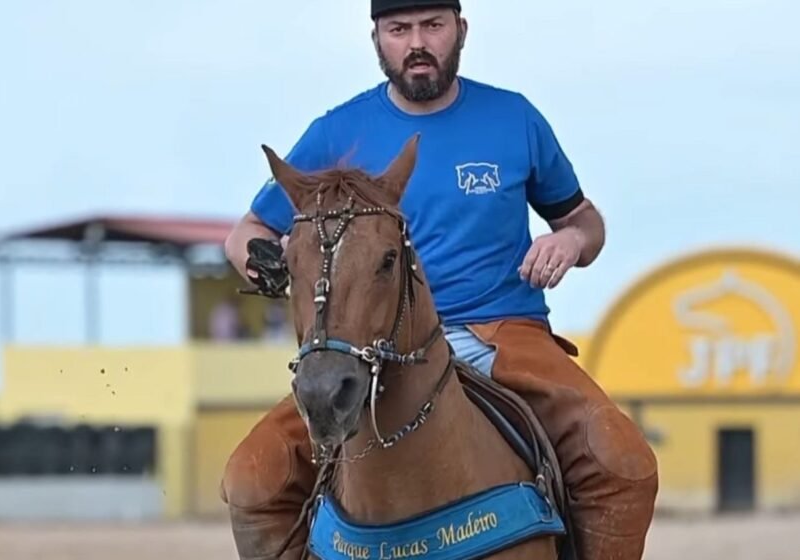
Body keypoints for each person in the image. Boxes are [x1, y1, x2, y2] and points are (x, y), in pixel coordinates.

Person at [221, 1, 659, 559]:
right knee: (253, 479)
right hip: (366, 346)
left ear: (461, 31)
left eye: (433, 26)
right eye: (399, 29)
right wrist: (262, 255)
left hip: (504, 333)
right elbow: (250, 230)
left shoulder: (513, 119)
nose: (417, 43)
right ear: (377, 39)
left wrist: (569, 241)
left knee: (622, 463)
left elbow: (583, 220)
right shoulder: (338, 131)